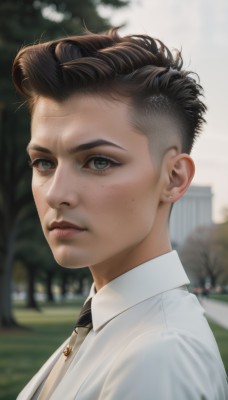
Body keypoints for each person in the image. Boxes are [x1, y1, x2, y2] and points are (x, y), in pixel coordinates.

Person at [13, 29, 228, 400]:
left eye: (98, 161)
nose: (56, 194)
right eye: (44, 162)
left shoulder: (160, 356)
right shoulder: (111, 323)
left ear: (174, 178)